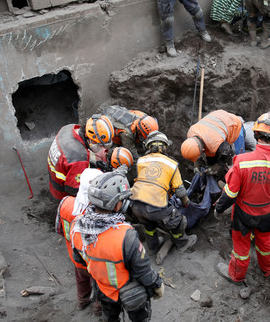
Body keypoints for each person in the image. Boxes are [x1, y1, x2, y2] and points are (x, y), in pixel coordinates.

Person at [70, 171, 164, 322]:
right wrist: (156, 284)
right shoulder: (125, 235)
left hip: (103, 290)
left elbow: (79, 259)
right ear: (116, 204)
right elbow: (142, 269)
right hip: (129, 292)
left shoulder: (77, 227)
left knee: (110, 318)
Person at [214, 112, 270, 283]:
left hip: (243, 214)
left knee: (241, 247)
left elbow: (230, 193)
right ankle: (266, 269)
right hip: (267, 213)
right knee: (265, 243)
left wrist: (219, 208)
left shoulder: (242, 161)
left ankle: (236, 276)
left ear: (255, 133)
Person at [130, 131, 197, 253]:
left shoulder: (141, 161)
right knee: (177, 220)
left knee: (148, 226)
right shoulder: (171, 164)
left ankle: (153, 247)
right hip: (155, 205)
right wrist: (186, 203)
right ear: (165, 147)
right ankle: (183, 243)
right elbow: (181, 192)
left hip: (135, 204)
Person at [55, 168, 103, 311]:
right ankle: (98, 308)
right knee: (101, 286)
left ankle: (82, 302)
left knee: (82, 282)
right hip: (96, 262)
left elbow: (59, 229)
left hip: (76, 258)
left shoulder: (65, 203)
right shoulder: (99, 216)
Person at [47, 115, 114, 199]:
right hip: (62, 193)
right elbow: (74, 190)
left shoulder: (69, 128)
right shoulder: (79, 158)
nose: (101, 147)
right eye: (98, 144)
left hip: (55, 177)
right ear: (88, 135)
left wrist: (93, 161)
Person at [181, 110, 244, 181]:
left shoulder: (215, 143)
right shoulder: (191, 133)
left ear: (202, 150)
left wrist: (217, 166)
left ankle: (234, 182)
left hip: (234, 125)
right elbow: (195, 149)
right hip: (216, 118)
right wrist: (197, 164)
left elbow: (229, 153)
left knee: (235, 162)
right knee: (211, 157)